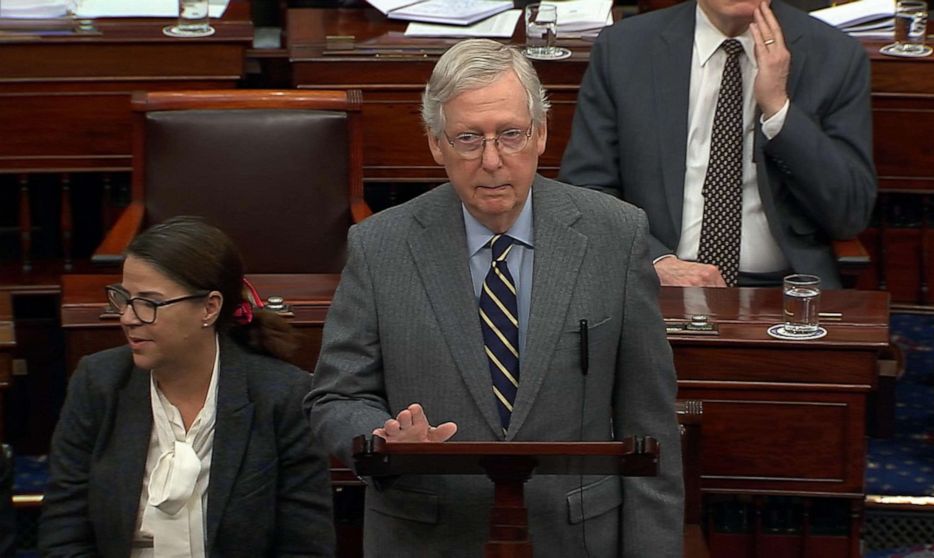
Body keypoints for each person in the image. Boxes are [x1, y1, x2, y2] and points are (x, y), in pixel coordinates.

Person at [304, 38, 683, 557]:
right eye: (467, 138)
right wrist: (381, 438)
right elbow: (335, 398)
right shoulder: (380, 245)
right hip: (427, 533)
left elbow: (650, 420)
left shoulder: (615, 235)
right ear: (435, 143)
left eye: (510, 134)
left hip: (577, 535)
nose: (491, 160)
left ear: (542, 133)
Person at [39, 217, 335, 557]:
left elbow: (306, 545)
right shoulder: (99, 383)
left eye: (149, 302)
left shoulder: (281, 395)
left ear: (209, 307)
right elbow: (63, 533)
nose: (128, 317)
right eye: (123, 298)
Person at [559, 0, 877, 289]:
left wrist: (780, 110)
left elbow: (849, 213)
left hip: (783, 291)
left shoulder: (834, 56)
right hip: (658, 283)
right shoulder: (625, 48)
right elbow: (586, 191)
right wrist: (654, 262)